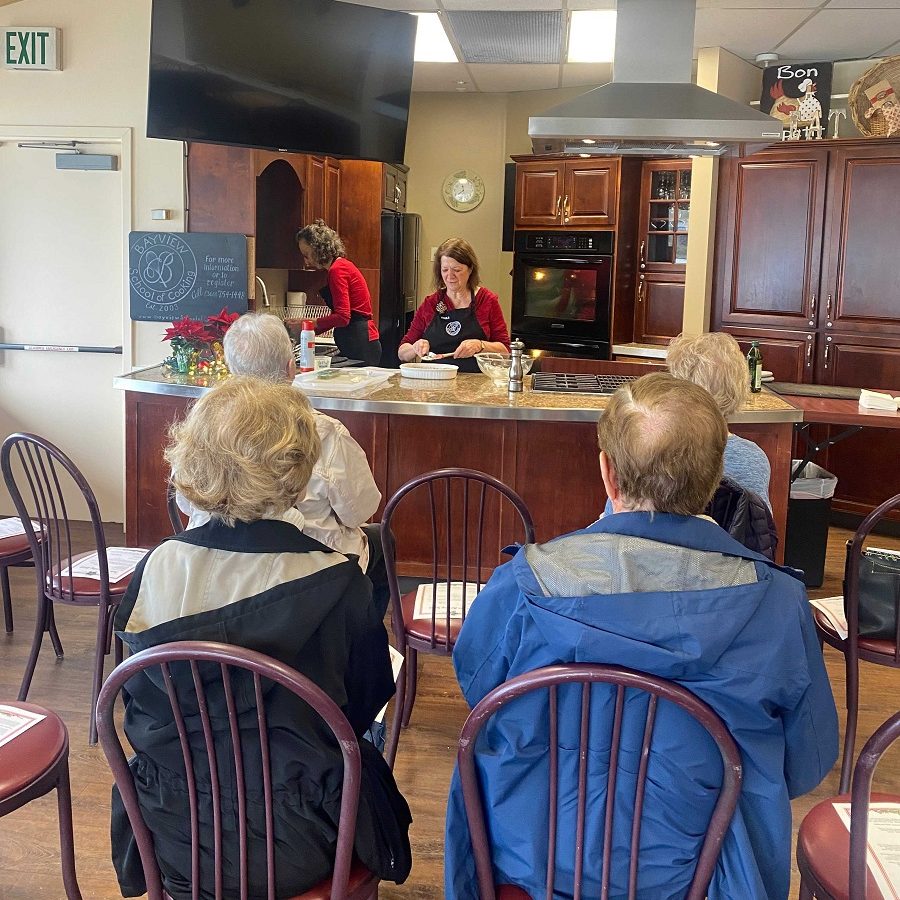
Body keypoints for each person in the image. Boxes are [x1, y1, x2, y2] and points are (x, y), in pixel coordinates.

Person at [445, 373, 838, 900]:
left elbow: (480, 695)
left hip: (532, 857)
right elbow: (807, 762)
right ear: (717, 474)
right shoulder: (777, 604)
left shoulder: (524, 584)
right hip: (704, 872)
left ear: (606, 471)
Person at [112, 377, 412, 899]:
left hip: (173, 834)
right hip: (302, 839)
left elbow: (137, 701)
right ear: (298, 469)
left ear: (196, 459)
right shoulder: (339, 582)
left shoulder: (156, 567)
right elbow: (361, 712)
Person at [180, 312, 389, 618]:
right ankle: (360, 637)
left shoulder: (203, 426)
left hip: (212, 573)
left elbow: (187, 502)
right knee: (382, 540)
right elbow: (359, 510)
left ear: (231, 369)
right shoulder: (325, 432)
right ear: (291, 368)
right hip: (307, 579)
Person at [667, 331, 772, 507]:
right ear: (739, 387)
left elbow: (614, 522)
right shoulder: (753, 458)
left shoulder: (654, 451)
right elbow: (761, 527)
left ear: (678, 390)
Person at [398, 238, 510, 373]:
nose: (450, 276)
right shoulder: (431, 303)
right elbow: (402, 352)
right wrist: (414, 348)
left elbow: (505, 351)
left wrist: (480, 345)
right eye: (445, 270)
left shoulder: (486, 301)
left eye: (457, 270)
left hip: (475, 383)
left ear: (470, 270)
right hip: (434, 381)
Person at [294, 219, 381, 366]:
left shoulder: (337, 270)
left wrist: (310, 323)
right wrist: (310, 329)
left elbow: (343, 317)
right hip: (360, 341)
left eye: (306, 254)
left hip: (359, 344)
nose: (305, 260)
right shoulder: (341, 266)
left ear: (317, 249)